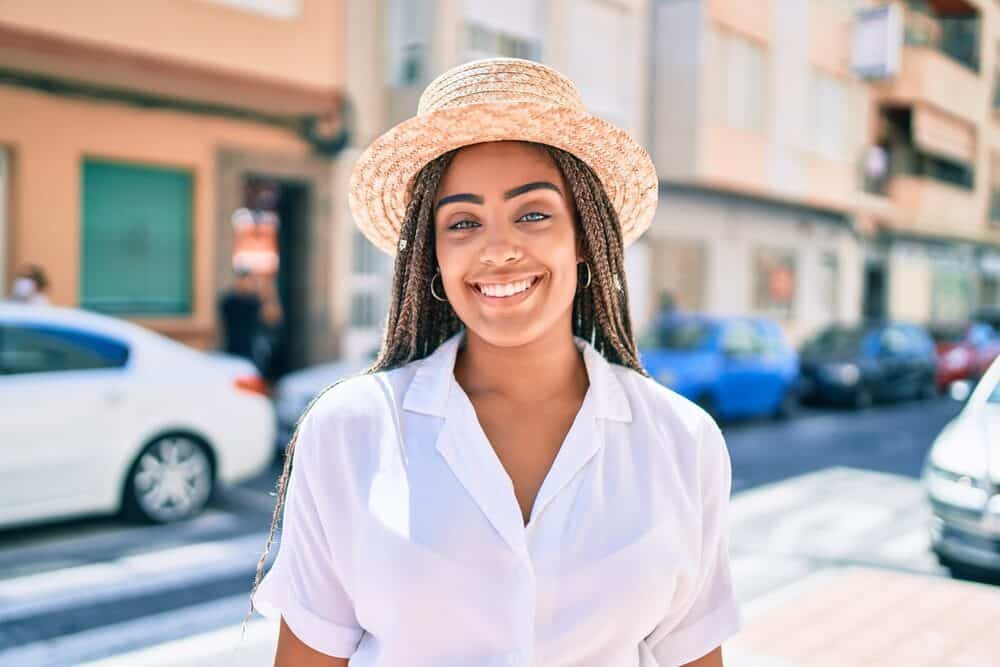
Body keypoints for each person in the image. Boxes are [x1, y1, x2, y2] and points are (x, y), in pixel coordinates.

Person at [248, 58, 742, 667]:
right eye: (462, 222)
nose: (498, 248)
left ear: (584, 236)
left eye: (533, 213)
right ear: (432, 254)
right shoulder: (348, 429)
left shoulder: (682, 440)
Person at [218, 266, 264, 365]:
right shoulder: (230, 301)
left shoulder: (255, 301)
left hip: (251, 349)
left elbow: (273, 318)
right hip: (232, 348)